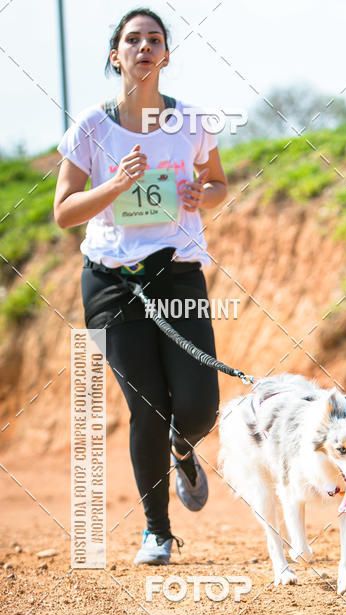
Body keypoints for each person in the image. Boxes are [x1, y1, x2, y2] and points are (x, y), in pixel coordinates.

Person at [54, 7, 228, 565]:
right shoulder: (91, 127)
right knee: (147, 406)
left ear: (167, 55)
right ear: (116, 55)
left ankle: (184, 446)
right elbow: (63, 212)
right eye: (133, 40)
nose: (145, 48)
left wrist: (208, 196)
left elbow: (219, 182)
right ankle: (157, 530)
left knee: (200, 406)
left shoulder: (193, 122)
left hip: (177, 272)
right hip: (111, 281)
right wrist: (115, 184)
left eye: (155, 40)